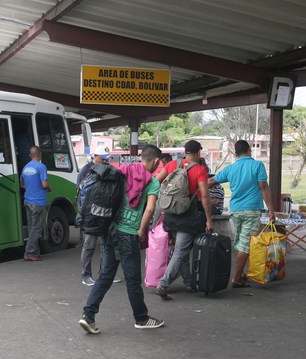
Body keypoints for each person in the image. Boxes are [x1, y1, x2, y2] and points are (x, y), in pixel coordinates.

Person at [79, 145, 165, 334]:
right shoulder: (152, 182)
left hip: (111, 230)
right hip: (128, 234)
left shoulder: (123, 172)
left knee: (105, 276)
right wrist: (142, 230)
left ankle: (88, 315)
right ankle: (141, 319)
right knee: (133, 280)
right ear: (156, 161)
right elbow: (150, 209)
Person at [209, 140, 275, 288]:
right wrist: (271, 209)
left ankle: (242, 273)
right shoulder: (257, 165)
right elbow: (263, 187)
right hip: (251, 211)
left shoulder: (231, 168)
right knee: (245, 245)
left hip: (236, 211)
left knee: (240, 242)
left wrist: (197, 188)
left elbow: (212, 180)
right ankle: (237, 278)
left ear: (236, 153)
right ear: (249, 150)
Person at [155, 140, 213, 300]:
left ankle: (189, 282)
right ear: (198, 152)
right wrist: (209, 219)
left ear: (185, 151)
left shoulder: (172, 164)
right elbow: (205, 196)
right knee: (181, 251)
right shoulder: (200, 170)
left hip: (170, 214)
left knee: (182, 251)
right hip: (187, 216)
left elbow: (156, 182)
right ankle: (163, 284)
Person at [76, 147, 121, 286]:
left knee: (105, 245)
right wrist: (83, 215)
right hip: (90, 215)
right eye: (102, 157)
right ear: (94, 156)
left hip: (105, 214)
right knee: (89, 245)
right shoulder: (86, 170)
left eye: (106, 157)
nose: (105, 160)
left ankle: (105, 273)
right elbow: (81, 193)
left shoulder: (108, 169)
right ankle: (86, 275)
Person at [20, 146, 51, 261]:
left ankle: (35, 252)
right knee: (36, 228)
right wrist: (49, 188)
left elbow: (22, 185)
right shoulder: (41, 167)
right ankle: (29, 252)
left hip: (27, 201)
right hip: (38, 202)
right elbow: (44, 184)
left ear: (30, 155)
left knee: (31, 228)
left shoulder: (25, 168)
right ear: (40, 154)